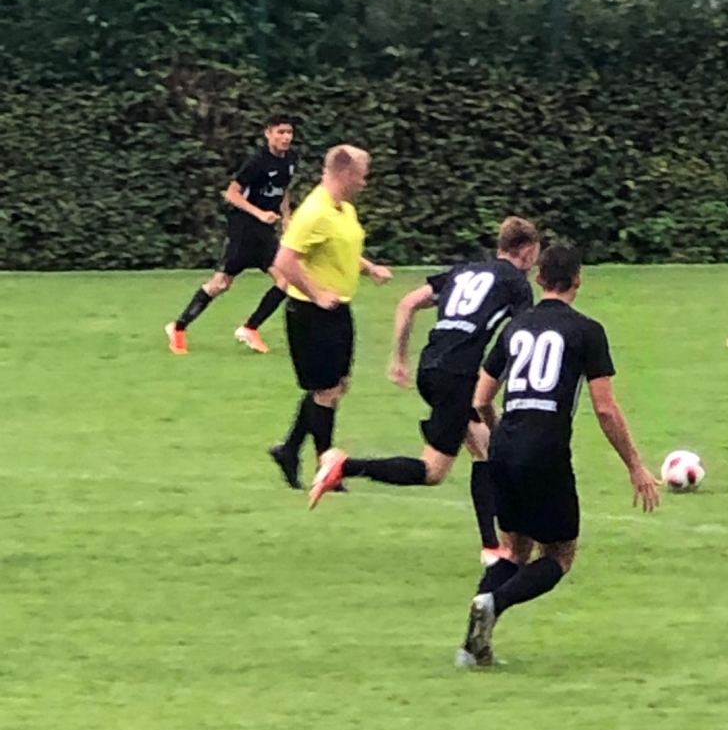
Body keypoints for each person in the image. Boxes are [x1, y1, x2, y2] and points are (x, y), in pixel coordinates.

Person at [458, 244, 660, 668]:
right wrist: (635, 465)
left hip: (504, 447)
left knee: (514, 552)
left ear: (539, 278)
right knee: (559, 556)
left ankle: (472, 648)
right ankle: (493, 602)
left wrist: (500, 435)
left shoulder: (515, 327)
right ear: (578, 280)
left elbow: (480, 398)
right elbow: (605, 409)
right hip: (546, 451)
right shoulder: (587, 331)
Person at [308, 218, 541, 553]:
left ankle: (492, 548)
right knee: (433, 471)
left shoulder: (464, 271)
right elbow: (521, 337)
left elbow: (408, 302)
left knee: (484, 447)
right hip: (456, 377)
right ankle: (344, 465)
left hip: (431, 368)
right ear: (528, 251)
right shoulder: (516, 283)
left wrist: (399, 358)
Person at [267, 144, 392, 490]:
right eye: (363, 175)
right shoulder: (314, 211)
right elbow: (284, 260)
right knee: (326, 391)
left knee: (337, 386)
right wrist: (316, 294)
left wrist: (369, 268)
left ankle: (289, 450)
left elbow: (342, 248)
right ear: (346, 173)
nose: (365, 182)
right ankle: (328, 469)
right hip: (310, 313)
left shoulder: (343, 209)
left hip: (338, 309)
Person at [165, 115, 297, 355]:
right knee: (221, 284)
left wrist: (286, 217)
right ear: (268, 134)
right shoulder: (257, 162)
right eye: (280, 132)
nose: (286, 137)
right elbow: (232, 194)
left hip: (265, 231)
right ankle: (178, 327)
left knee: (286, 280)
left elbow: (283, 189)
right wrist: (259, 213)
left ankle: (250, 328)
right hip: (244, 229)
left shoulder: (290, 159)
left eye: (289, 132)